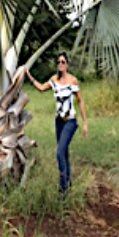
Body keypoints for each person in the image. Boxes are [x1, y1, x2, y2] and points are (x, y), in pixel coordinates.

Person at [24, 52, 88, 195]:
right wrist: (28, 75)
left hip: (70, 121)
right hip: (58, 121)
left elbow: (80, 101)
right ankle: (69, 183)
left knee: (59, 153)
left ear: (67, 65)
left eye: (63, 62)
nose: (60, 64)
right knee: (64, 153)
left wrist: (85, 123)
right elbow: (41, 88)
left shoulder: (73, 81)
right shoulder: (54, 80)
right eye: (58, 62)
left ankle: (63, 189)